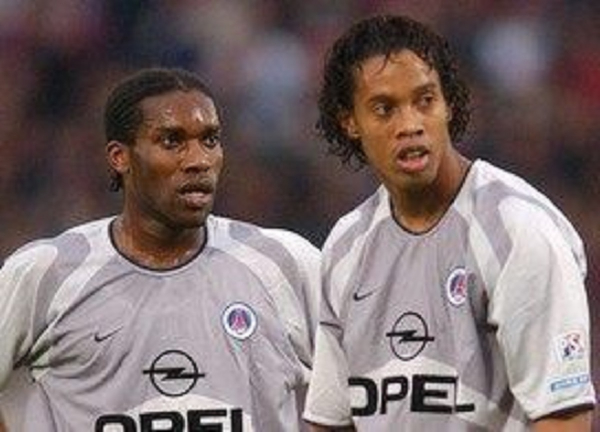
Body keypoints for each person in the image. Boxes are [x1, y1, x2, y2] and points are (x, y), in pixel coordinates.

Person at [303, 14, 595, 431]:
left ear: (449, 104)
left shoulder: (517, 229)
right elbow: (331, 422)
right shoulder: (347, 246)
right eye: (384, 109)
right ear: (349, 120)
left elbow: (564, 416)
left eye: (425, 100)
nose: (410, 125)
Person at [0, 67, 320, 431]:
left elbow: (356, 385)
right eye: (172, 141)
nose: (199, 160)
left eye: (210, 140)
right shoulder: (48, 273)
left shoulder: (284, 264)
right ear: (119, 157)